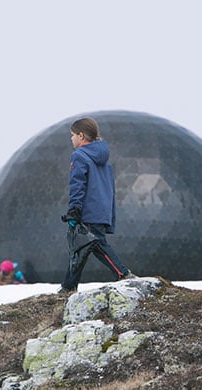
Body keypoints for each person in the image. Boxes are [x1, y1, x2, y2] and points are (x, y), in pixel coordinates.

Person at [58, 117, 136, 293]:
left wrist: (74, 210)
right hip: (102, 209)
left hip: (88, 210)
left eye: (72, 135)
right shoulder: (103, 159)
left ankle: (123, 274)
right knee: (81, 246)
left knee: (95, 243)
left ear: (81, 135)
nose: (71, 139)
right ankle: (68, 286)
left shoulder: (79, 156)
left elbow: (78, 184)